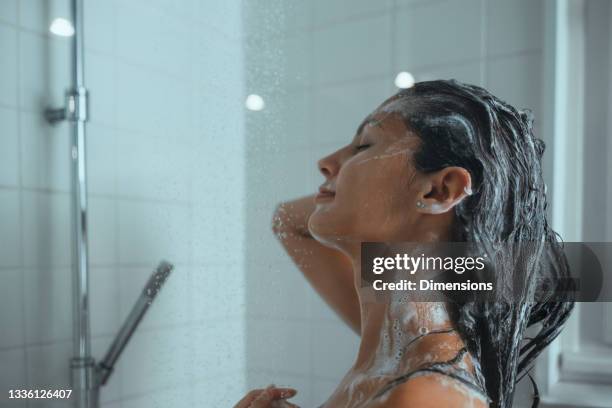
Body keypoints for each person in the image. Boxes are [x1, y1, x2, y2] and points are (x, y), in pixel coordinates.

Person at [234, 80, 575, 408]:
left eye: (365, 145)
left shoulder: (427, 395)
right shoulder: (391, 340)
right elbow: (289, 221)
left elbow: (291, 221)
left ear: (438, 190)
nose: (326, 162)